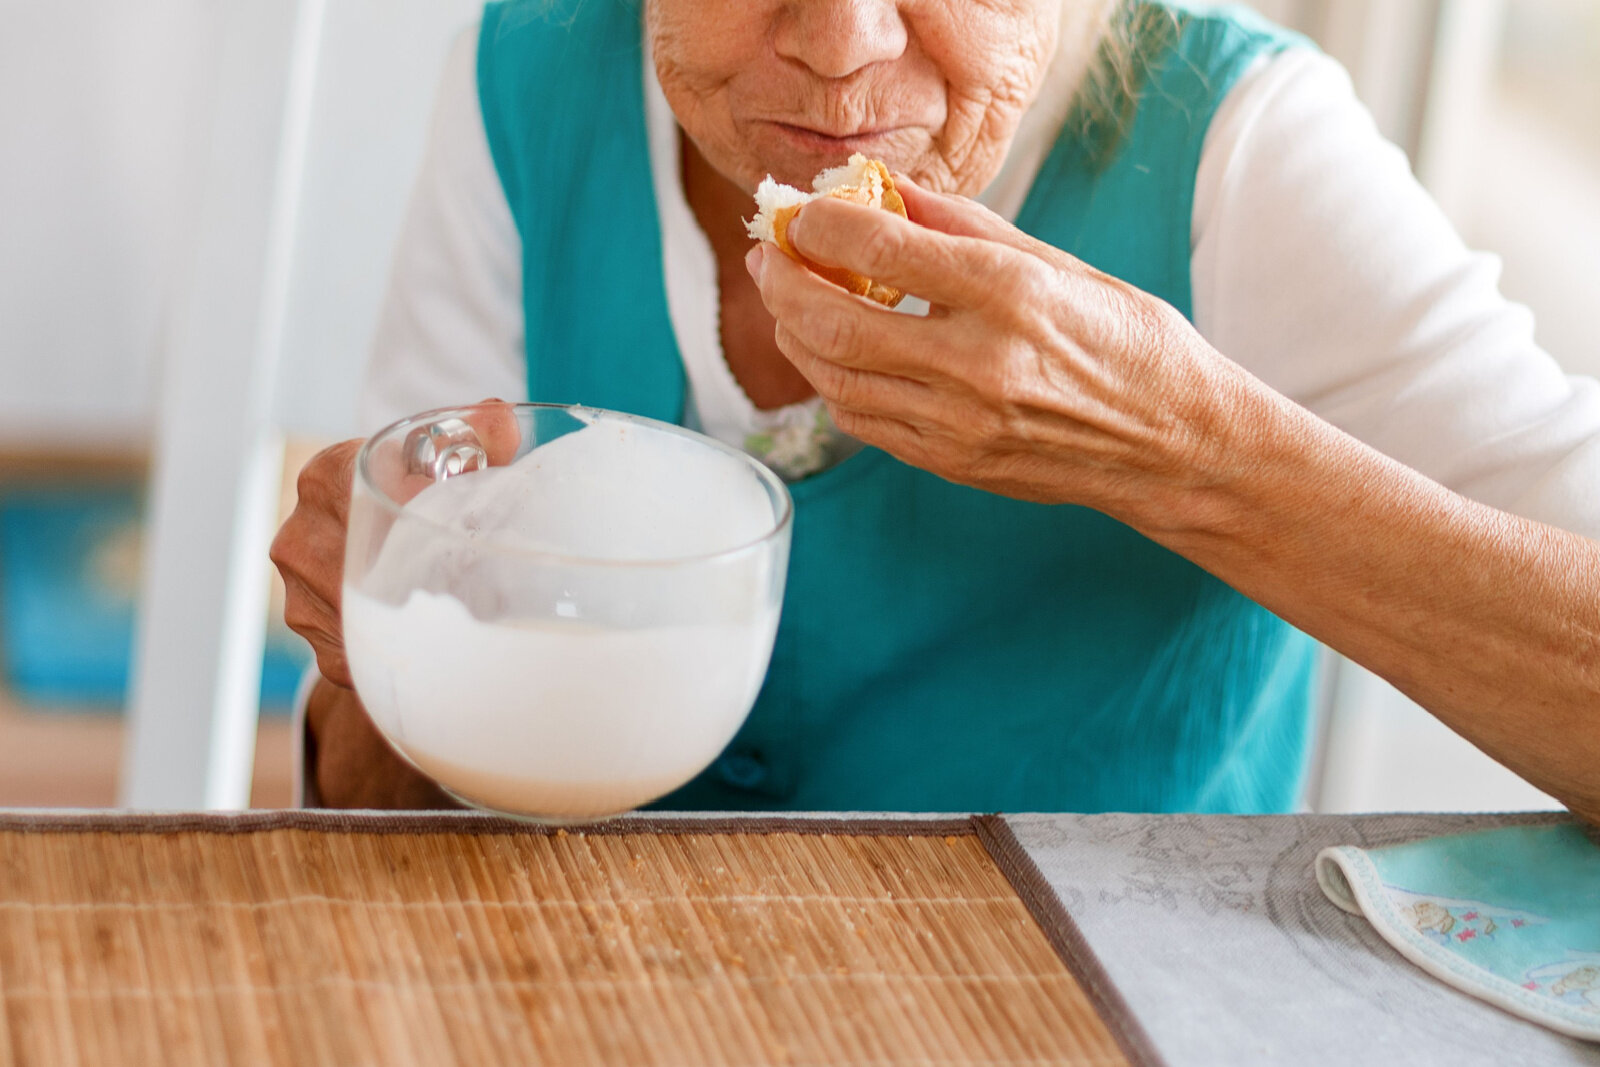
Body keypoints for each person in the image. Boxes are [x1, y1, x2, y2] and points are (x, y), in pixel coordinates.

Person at [272, 0, 1600, 821]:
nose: (841, 41)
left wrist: (1186, 450)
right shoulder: (525, 80)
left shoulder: (1243, 153)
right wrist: (380, 648)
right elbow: (380, 811)